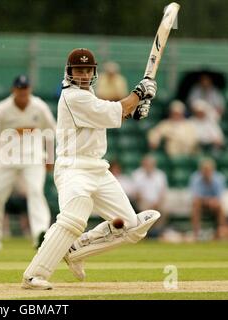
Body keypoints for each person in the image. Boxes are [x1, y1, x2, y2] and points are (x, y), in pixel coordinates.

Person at [21, 48, 160, 290]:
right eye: (79, 70)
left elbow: (106, 115)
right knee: (73, 220)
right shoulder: (72, 96)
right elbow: (112, 111)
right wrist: (138, 94)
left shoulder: (89, 94)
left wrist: (133, 111)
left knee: (133, 228)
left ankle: (76, 249)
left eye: (88, 70)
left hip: (98, 168)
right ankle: (33, 275)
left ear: (93, 72)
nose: (84, 75)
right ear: (69, 72)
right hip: (73, 167)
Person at [0, 75, 56, 250]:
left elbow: (50, 133)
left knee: (35, 192)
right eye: (20, 90)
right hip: (6, 158)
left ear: (29, 90)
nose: (23, 94)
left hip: (33, 158)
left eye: (25, 90)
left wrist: (50, 158)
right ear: (14, 90)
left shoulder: (39, 107)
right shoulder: (1, 109)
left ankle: (41, 236)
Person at [189, 158, 227, 241]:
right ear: (201, 170)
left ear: (213, 170)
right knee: (195, 204)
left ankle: (220, 232)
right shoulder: (195, 178)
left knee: (220, 206)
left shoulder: (219, 178)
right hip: (201, 204)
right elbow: (195, 197)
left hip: (214, 204)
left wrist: (212, 201)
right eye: (204, 170)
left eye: (208, 170)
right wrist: (208, 201)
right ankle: (196, 233)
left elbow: (219, 197)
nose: (206, 172)